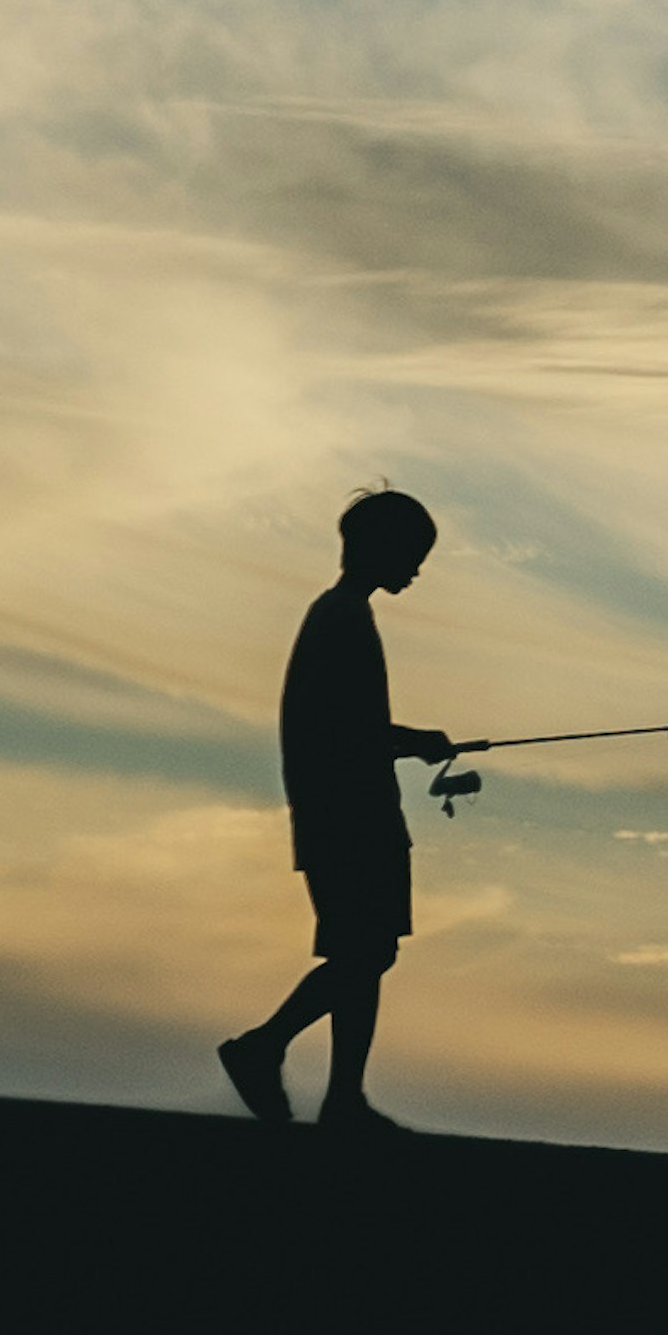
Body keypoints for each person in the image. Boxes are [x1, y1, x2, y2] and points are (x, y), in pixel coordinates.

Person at [221, 486, 455, 1136]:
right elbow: (350, 730)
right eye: (412, 553)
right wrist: (416, 741)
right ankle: (266, 1047)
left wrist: (407, 742)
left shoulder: (339, 614)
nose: (416, 568)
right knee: (365, 951)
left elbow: (347, 726)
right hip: (351, 816)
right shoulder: (343, 617)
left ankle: (341, 1096)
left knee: (367, 950)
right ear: (380, 547)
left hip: (343, 812)